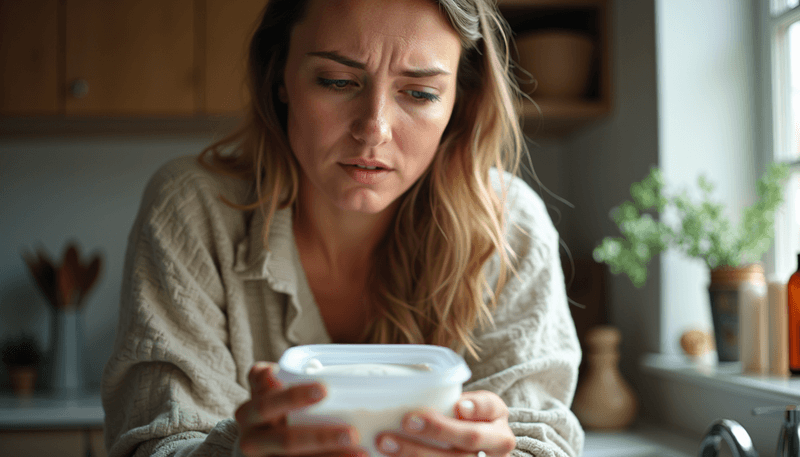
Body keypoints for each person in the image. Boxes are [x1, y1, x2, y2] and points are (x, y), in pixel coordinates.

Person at [101, 0, 584, 456]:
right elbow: (154, 444)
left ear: (460, 99)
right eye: (336, 81)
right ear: (280, 76)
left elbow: (544, 441)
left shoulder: (508, 226)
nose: (373, 128)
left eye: (420, 93)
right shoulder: (194, 210)